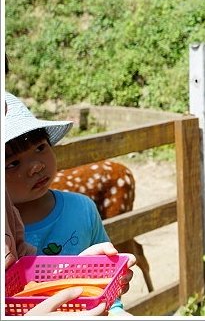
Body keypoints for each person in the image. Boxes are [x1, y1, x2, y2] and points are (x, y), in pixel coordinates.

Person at [3, 91, 135, 315]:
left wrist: (115, 309)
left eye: (40, 148)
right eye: (13, 163)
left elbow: (106, 285)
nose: (36, 166)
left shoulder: (83, 209)